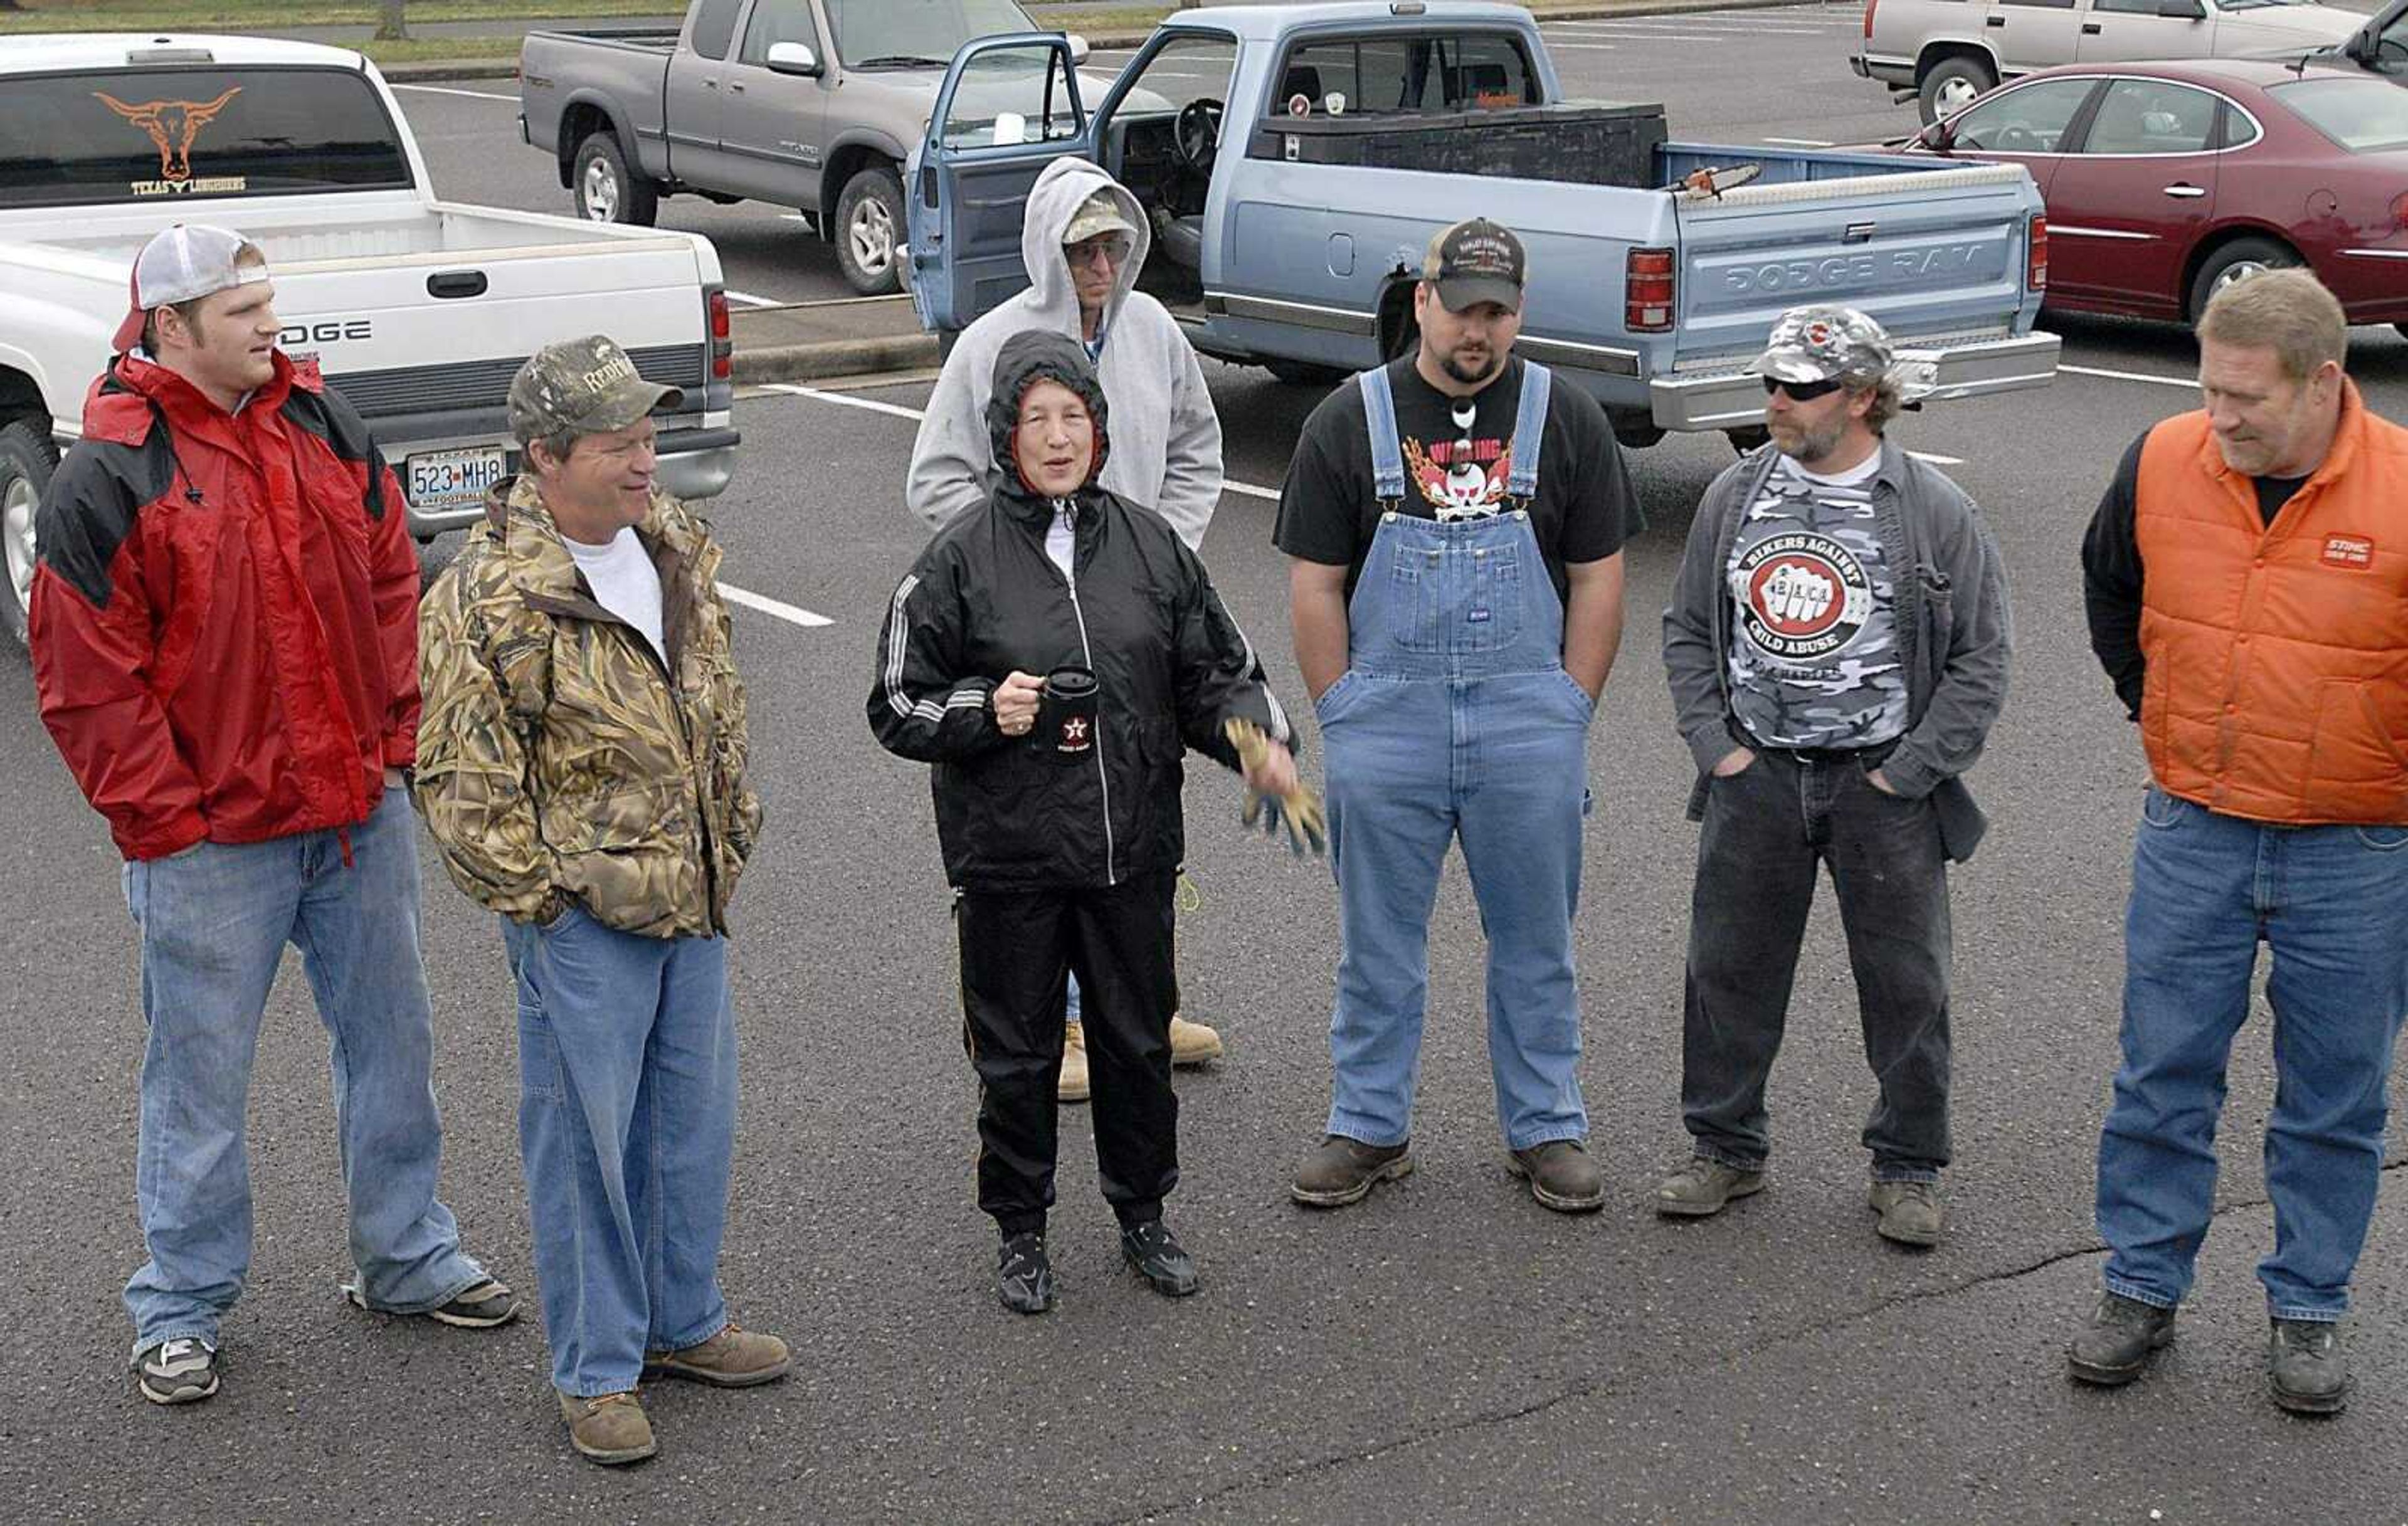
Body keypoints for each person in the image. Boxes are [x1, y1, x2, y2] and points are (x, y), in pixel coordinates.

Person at [28, 223, 513, 1409]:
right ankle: (181, 1305)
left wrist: (393, 742)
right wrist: (166, 822)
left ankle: (405, 1255)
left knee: (396, 1046)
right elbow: (86, 672)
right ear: (170, 328)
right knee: (196, 1079)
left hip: (354, 810)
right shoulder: (110, 472)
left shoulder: (322, 425)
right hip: (210, 845)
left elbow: (395, 573)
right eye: (239, 310)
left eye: (266, 302)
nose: (268, 324)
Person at [414, 335, 786, 1465]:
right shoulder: (488, 592)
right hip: (582, 923)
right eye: (619, 443)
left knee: (688, 1129)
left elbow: (711, 698)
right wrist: (543, 899)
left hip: (695, 901)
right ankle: (595, 1370)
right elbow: (460, 773)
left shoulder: (668, 541)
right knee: (585, 1148)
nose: (644, 460)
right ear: (545, 455)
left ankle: (682, 1322)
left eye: (647, 437)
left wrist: (731, 828)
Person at [872, 330, 1297, 1313]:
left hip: (1132, 852)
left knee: (1136, 1042)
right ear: (1004, 434)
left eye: (1074, 416)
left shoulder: (1151, 547)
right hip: (1011, 861)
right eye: (1037, 419)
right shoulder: (956, 562)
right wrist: (986, 711)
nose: (1058, 438)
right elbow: (896, 700)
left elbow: (1215, 671)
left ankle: (1142, 1214)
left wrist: (1256, 743)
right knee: (1017, 1054)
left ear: (1099, 429)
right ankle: (1021, 1230)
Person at [2071, 270, 2408, 1416]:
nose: (2220, 419)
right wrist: (2152, 708)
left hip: (2356, 851)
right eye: (2210, 390)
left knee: (2334, 1098)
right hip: (2195, 830)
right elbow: (2110, 587)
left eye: (2245, 399)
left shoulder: (2406, 488)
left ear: (2326, 382)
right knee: (2161, 1076)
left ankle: (2308, 1307)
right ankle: (2140, 1285)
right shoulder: (2164, 457)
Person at [1274, 218, 1642, 1214]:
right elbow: (1317, 584)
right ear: (1423, 300)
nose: (1477, 330)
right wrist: (1342, 710)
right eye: (1462, 306)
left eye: (1498, 311)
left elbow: (1599, 578)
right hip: (1384, 720)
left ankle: (1547, 1124)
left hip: (1529, 721)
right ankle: (1370, 1122)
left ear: (1519, 313)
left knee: (1536, 941)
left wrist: (1570, 705)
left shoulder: (1566, 419)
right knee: (1378, 943)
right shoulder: (1349, 421)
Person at [1656, 305, 2010, 1246]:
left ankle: (1909, 1165)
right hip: (1759, 776)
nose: (1777, 401)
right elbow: (1689, 628)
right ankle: (1725, 1148)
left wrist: (1912, 774)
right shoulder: (1734, 496)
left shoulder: (1934, 509)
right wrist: (1717, 748)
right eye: (1771, 382)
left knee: (1907, 983)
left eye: (1801, 388)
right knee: (1727, 970)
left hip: (1881, 785)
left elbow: (1982, 659)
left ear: (1862, 398)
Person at [906, 157, 1230, 1096]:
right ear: (1048, 249)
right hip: (1029, 637)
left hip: (1135, 627)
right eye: (1082, 248)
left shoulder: (1156, 332)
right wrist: (1013, 573)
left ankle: (1141, 998)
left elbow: (1199, 452)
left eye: (1114, 246)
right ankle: (1064, 1025)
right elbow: (934, 480)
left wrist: (1157, 561)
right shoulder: (992, 344)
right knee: (1049, 826)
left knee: (1144, 808)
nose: (1099, 265)